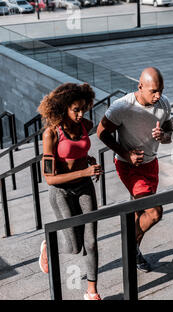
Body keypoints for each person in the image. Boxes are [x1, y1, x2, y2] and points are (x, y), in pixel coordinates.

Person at [97, 67, 173, 272]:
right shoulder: (122, 107)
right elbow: (101, 133)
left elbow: (169, 132)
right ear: (140, 86)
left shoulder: (163, 103)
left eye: (161, 90)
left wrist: (163, 136)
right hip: (128, 165)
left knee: (139, 211)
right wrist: (126, 153)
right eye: (153, 91)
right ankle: (131, 249)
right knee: (154, 212)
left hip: (151, 163)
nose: (158, 96)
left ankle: (134, 250)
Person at [37, 83, 103, 300]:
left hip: (85, 187)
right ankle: (48, 245)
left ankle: (92, 291)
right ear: (63, 108)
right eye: (76, 109)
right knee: (74, 248)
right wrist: (84, 171)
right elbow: (49, 178)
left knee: (91, 242)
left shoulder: (86, 124)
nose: (81, 113)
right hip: (61, 193)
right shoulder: (51, 134)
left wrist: (88, 161)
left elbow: (80, 151)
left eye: (83, 108)